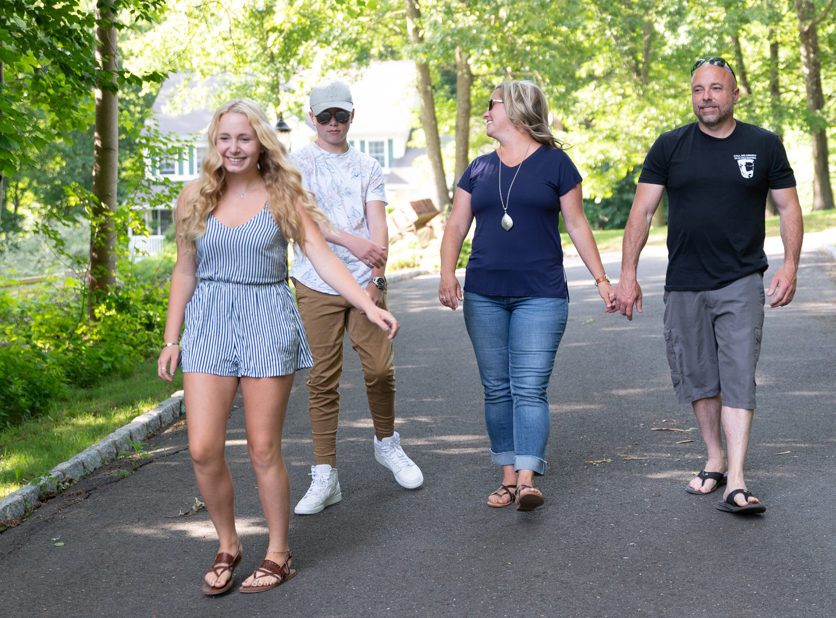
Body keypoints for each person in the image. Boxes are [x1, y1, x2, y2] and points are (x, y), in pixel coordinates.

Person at [158, 98, 398, 595]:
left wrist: (367, 302)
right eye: (225, 138)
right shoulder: (194, 196)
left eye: (244, 138)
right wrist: (171, 336)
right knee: (203, 449)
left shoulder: (281, 194)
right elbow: (184, 270)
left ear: (260, 142)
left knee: (263, 447)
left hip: (267, 319)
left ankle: (278, 553)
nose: (233, 147)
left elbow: (322, 256)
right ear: (214, 142)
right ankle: (228, 543)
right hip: (208, 324)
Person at [612, 57, 803, 514]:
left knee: (737, 373)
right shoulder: (670, 146)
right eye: (699, 90)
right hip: (684, 282)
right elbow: (641, 212)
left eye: (716, 89)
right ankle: (714, 458)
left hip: (740, 278)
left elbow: (789, 208)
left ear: (735, 94)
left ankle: (736, 479)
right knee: (699, 375)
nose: (706, 98)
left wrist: (790, 265)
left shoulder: (763, 144)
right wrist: (627, 274)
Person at [439, 80, 614, 511]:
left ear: (515, 110)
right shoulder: (477, 169)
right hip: (484, 294)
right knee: (496, 388)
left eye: (491, 105)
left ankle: (527, 477)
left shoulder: (557, 164)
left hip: (541, 294)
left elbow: (576, 225)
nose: (485, 113)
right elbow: (456, 227)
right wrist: (447, 273)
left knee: (530, 387)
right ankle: (507, 477)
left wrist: (601, 280)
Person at [290, 78, 423, 516]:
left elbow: (378, 228)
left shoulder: (368, 165)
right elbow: (306, 221)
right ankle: (325, 474)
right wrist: (352, 242)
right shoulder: (296, 165)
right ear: (312, 118)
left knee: (381, 370)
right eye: (324, 116)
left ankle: (387, 443)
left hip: (365, 283)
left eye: (340, 115)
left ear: (351, 117)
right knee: (322, 380)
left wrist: (378, 279)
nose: (333, 123)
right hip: (315, 282)